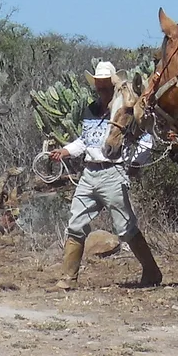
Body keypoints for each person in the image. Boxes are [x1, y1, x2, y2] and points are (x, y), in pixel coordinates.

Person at [50, 60, 162, 290]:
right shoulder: (90, 110)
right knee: (76, 224)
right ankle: (68, 278)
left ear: (113, 87)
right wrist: (65, 151)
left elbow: (146, 138)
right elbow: (86, 140)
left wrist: (136, 163)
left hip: (113, 172)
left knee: (125, 227)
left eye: (104, 87)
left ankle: (152, 271)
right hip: (89, 173)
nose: (100, 92)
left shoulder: (124, 111)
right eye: (98, 87)